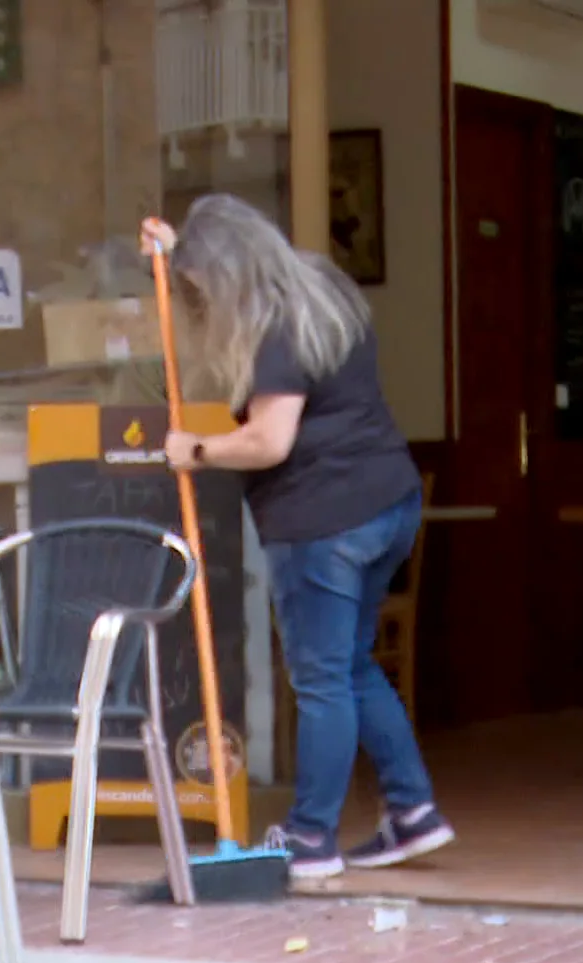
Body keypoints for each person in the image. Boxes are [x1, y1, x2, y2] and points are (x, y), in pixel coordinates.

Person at [144, 196, 454, 880]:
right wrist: (169, 256)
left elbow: (268, 440)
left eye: (205, 287)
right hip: (389, 503)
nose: (205, 301)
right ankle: (412, 813)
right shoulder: (322, 288)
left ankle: (309, 839)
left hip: (323, 523)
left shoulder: (274, 329)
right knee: (350, 666)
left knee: (320, 679)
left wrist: (194, 450)